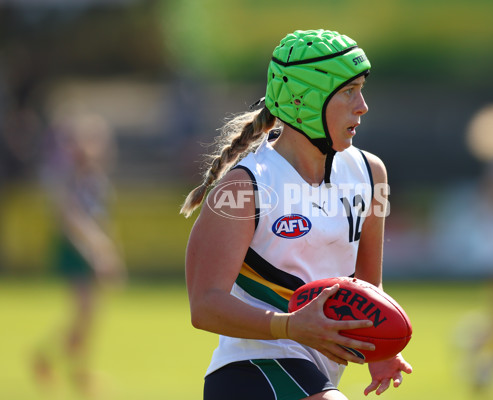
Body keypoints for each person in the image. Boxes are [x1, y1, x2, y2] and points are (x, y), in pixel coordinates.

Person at [181, 29, 412, 399]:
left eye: (362, 88)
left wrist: (380, 350)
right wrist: (289, 326)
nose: (362, 105)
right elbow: (205, 306)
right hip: (252, 370)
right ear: (305, 100)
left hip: (316, 373)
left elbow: (370, 285)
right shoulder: (244, 188)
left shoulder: (373, 174)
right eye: (348, 91)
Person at [34, 111, 126, 396]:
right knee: (85, 314)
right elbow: (71, 218)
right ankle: (62, 365)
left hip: (94, 250)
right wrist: (98, 251)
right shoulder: (71, 177)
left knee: (87, 316)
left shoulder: (95, 176)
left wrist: (112, 253)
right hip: (76, 250)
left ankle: (61, 363)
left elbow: (102, 218)